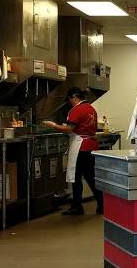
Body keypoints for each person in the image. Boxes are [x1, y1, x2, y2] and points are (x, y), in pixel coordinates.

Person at [44, 88, 103, 216]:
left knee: (76, 177)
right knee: (91, 177)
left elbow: (69, 129)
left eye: (70, 100)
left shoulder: (77, 110)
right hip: (91, 146)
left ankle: (77, 207)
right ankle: (101, 204)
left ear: (74, 97)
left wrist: (53, 125)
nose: (70, 102)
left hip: (81, 147)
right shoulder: (90, 108)